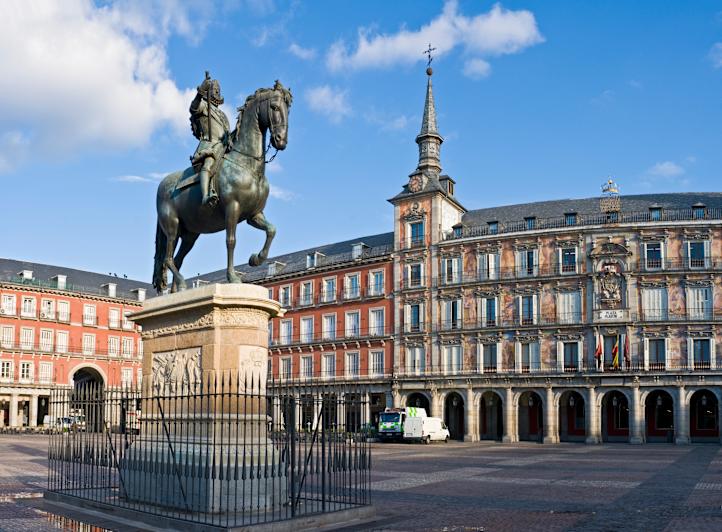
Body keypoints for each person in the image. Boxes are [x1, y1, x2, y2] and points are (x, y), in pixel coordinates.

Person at [189, 71, 231, 207]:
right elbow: (193, 108)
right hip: (209, 146)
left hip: (223, 147)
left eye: (218, 90)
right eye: (214, 90)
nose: (217, 92)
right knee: (209, 163)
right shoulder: (203, 106)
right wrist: (201, 91)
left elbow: (227, 133)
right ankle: (205, 196)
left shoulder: (223, 116)